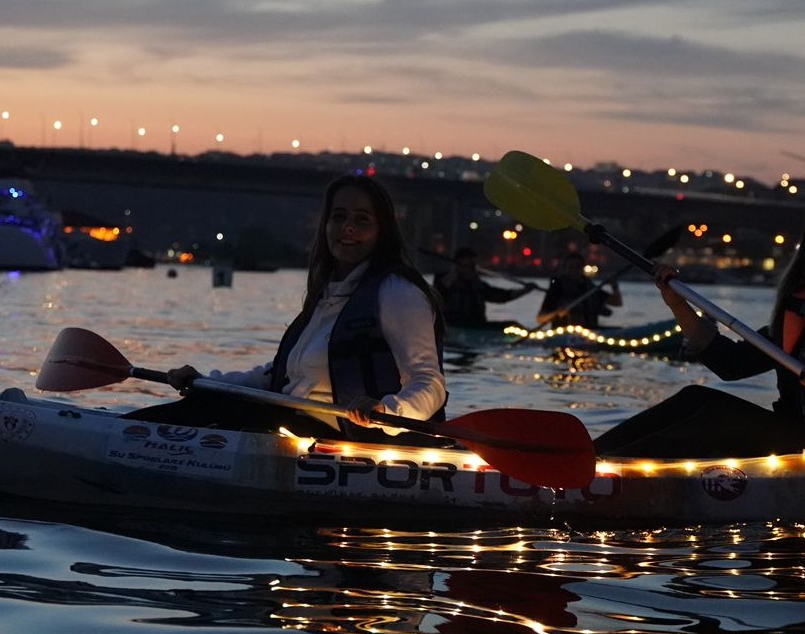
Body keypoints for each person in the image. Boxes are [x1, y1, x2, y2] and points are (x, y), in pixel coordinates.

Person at [594, 173, 805, 459]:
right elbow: (731, 365)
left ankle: (599, 474)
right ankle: (590, 458)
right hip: (801, 439)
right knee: (696, 399)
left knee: (718, 418)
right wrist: (677, 304)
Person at [129, 174, 450, 443]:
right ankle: (123, 432)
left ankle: (125, 439)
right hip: (296, 428)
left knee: (225, 413)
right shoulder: (327, 297)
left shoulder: (397, 291)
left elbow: (429, 383)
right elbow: (275, 378)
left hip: (355, 442)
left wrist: (388, 411)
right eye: (338, 217)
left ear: (382, 232)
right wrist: (205, 382)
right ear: (325, 226)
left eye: (362, 220)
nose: (347, 228)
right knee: (209, 400)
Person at [432, 246, 532, 327]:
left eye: (473, 265)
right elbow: (439, 292)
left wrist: (526, 290)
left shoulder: (479, 286)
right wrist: (457, 270)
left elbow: (503, 296)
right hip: (453, 325)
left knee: (512, 325)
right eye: (469, 265)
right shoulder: (443, 279)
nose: (473, 269)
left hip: (478, 325)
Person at [537, 251, 623, 328]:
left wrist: (614, 286)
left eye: (577, 266)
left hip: (590, 333)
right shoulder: (557, 288)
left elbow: (617, 303)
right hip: (565, 335)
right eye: (571, 267)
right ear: (565, 269)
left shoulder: (590, 288)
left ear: (582, 268)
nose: (574, 270)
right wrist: (557, 313)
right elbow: (540, 318)